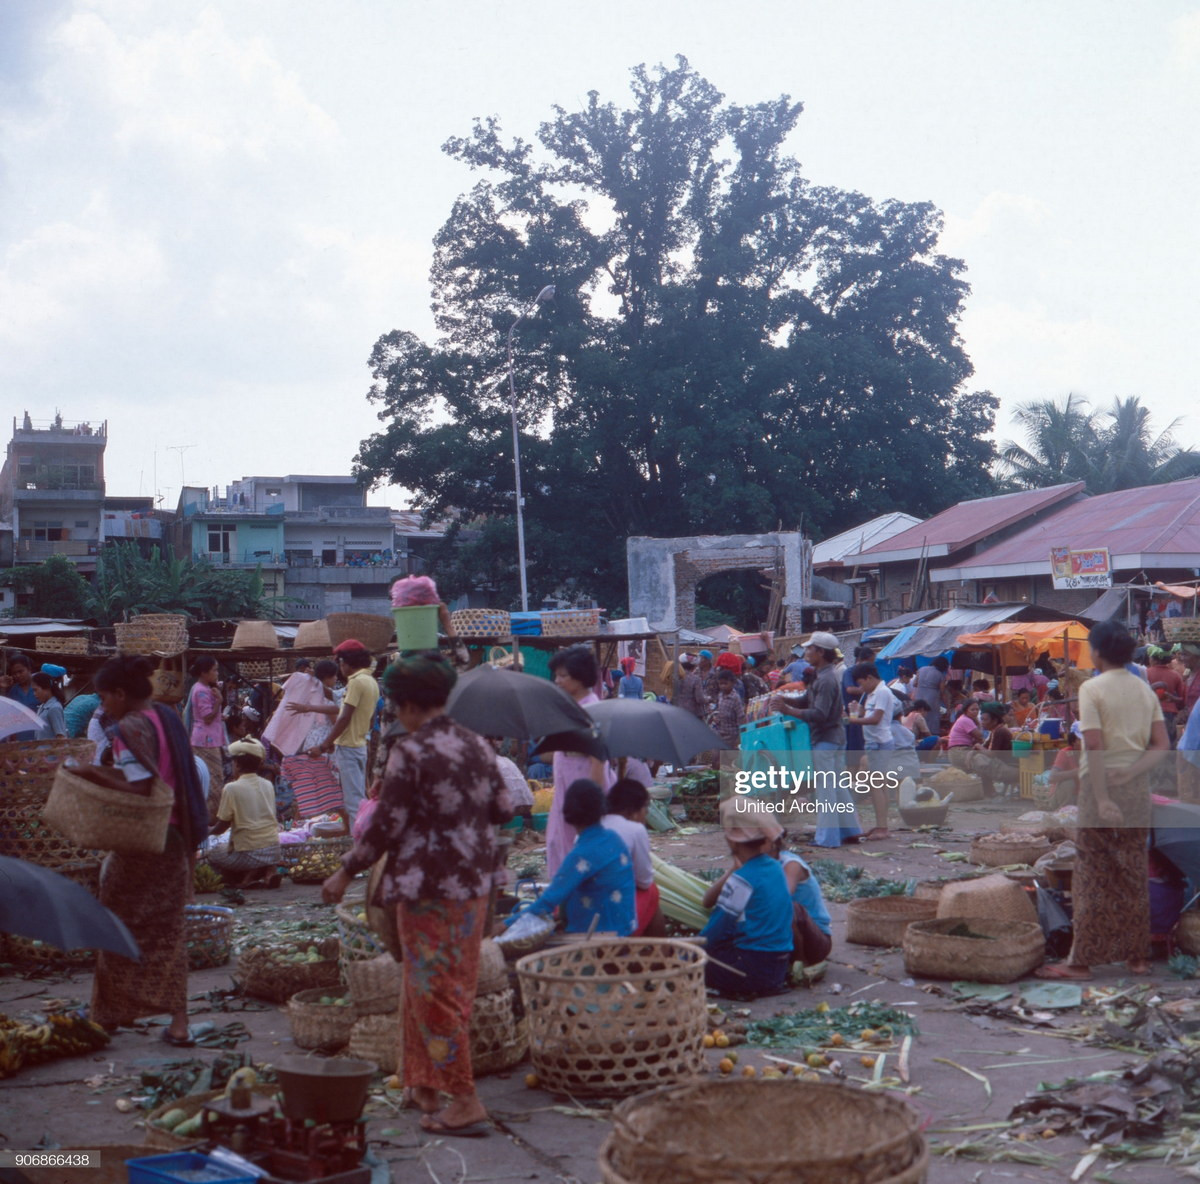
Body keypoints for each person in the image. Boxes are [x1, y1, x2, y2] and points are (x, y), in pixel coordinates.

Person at [322, 652, 512, 1137]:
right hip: (473, 889)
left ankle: (465, 1100)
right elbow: (504, 808)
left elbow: (387, 824)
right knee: (445, 987)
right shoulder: (479, 746)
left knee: (432, 993)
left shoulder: (411, 750)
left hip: (426, 889)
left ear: (405, 705)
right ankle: (423, 1085)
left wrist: (345, 873)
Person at [1036, 621, 1167, 981]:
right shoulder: (1145, 692)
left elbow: (1093, 746)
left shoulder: (1092, 688)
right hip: (1136, 788)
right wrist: (1130, 773)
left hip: (1099, 787)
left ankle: (1081, 962)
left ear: (1096, 652)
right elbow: (1161, 747)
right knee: (1132, 870)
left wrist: (1103, 796)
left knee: (1092, 873)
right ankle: (1137, 958)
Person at [89, 654, 207, 1047]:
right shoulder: (168, 717)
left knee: (114, 919)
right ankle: (179, 1023)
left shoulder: (129, 727)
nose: (103, 706)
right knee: (169, 928)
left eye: (105, 697)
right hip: (177, 837)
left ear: (121, 694)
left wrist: (90, 773)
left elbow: (139, 785)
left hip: (143, 840)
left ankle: (107, 1014)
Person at [772, 632, 861, 847]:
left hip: (826, 739)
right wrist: (786, 699)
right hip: (834, 737)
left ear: (820, 652)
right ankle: (850, 831)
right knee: (837, 787)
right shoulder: (821, 676)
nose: (807, 652)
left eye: (810, 649)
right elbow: (808, 701)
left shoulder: (827, 679)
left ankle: (828, 838)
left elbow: (819, 714)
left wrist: (787, 710)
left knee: (826, 790)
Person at [699, 799, 794, 997]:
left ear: (732, 840)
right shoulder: (776, 868)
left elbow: (715, 931)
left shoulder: (741, 880)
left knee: (692, 961)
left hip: (752, 970)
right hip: (779, 966)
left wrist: (684, 951)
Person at [519, 779, 636, 937]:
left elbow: (548, 901)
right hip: (626, 928)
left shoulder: (581, 854)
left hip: (597, 936)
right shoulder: (614, 839)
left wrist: (505, 925)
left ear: (568, 812)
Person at [546, 645, 613, 876]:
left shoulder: (593, 711)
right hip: (566, 788)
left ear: (580, 677)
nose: (557, 681)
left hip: (583, 792)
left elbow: (598, 763)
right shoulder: (571, 709)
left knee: (576, 849)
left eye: (563, 676)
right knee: (558, 843)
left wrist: (592, 805)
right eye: (556, 675)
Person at [308, 640, 379, 826]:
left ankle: (360, 845)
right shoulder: (370, 681)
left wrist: (324, 745)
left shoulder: (356, 682)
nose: (340, 668)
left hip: (349, 746)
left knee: (353, 802)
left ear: (347, 663)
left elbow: (344, 717)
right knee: (359, 796)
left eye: (340, 663)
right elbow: (367, 718)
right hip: (360, 744)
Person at [208, 738, 282, 888]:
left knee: (213, 854)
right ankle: (263, 871)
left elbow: (222, 826)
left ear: (238, 765)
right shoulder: (267, 784)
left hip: (248, 853)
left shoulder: (231, 788)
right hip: (274, 849)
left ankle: (248, 873)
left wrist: (206, 832)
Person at [603, 779, 665, 936]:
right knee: (652, 891)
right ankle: (660, 953)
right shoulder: (635, 830)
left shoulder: (591, 827)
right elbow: (644, 881)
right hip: (611, 912)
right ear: (634, 808)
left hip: (585, 908)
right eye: (646, 807)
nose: (647, 813)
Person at [849, 663, 900, 841]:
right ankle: (881, 825)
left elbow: (876, 718)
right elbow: (869, 713)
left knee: (876, 787)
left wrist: (852, 721)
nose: (860, 687)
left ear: (869, 678)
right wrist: (858, 711)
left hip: (880, 743)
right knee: (880, 786)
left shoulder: (883, 692)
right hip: (873, 743)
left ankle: (882, 827)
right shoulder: (871, 693)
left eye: (861, 683)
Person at [771, 831, 833, 969]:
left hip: (814, 942)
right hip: (781, 937)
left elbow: (782, 899)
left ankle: (799, 963)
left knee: (789, 908)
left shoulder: (791, 864)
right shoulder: (759, 864)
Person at [1146, 645, 1184, 745]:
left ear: (1154, 660)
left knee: (1151, 744)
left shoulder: (1146, 673)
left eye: (1150, 657)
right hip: (1169, 714)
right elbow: (1182, 699)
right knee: (1169, 743)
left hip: (1149, 712)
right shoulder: (1175, 675)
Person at [1, 653, 40, 741]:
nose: (18, 675)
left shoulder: (40, 687)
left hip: (39, 737)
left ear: (29, 669)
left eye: (21, 671)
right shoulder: (12, 691)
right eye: (14, 673)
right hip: (20, 739)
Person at [913, 657, 950, 738]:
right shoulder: (940, 675)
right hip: (932, 698)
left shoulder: (921, 669)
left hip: (919, 696)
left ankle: (918, 734)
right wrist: (948, 707)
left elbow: (914, 683)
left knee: (918, 716)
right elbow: (942, 692)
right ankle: (930, 737)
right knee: (932, 719)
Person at [711, 669, 746, 748]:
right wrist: (717, 718)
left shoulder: (735, 698)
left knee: (728, 756)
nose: (723, 686)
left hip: (732, 734)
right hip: (721, 731)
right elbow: (720, 710)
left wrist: (740, 737)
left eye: (725, 684)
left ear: (733, 683)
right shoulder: (720, 695)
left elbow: (741, 717)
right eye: (720, 684)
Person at [31, 671, 67, 739]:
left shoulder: (54, 708)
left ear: (46, 688)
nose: (34, 694)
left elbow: (60, 736)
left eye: (35, 690)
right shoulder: (42, 707)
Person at [674, 654, 708, 720]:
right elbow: (699, 699)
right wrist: (707, 700)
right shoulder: (696, 679)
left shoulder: (675, 677)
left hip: (678, 710)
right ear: (694, 666)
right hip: (693, 713)